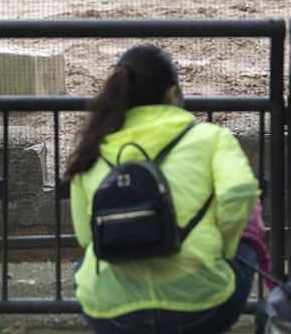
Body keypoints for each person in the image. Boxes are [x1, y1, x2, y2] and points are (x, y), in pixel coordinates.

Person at [65, 44, 266, 333]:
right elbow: (239, 195)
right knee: (247, 245)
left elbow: (86, 237)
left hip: (113, 314)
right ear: (172, 94)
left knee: (85, 263)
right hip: (201, 308)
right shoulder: (211, 138)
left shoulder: (92, 151)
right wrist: (223, 249)